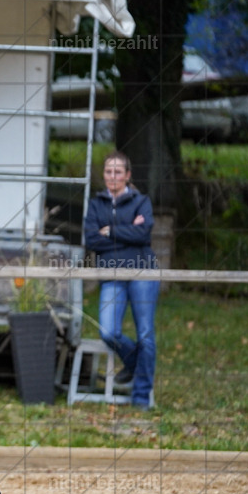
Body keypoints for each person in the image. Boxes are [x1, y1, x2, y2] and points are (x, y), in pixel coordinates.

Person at [83, 150, 160, 409]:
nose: (112, 176)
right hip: (112, 275)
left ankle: (141, 398)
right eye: (108, 171)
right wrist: (129, 232)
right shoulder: (96, 204)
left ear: (127, 175)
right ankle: (136, 361)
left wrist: (111, 231)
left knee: (146, 335)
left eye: (118, 172)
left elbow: (143, 234)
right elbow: (91, 239)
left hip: (143, 274)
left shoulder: (141, 201)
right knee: (108, 331)